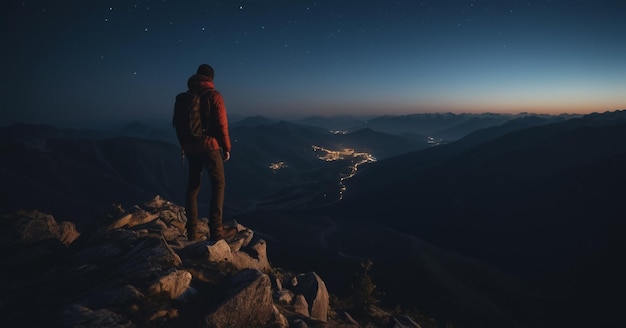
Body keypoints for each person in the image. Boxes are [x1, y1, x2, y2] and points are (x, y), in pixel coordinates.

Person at [181, 64, 236, 241]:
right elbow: (222, 125)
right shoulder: (214, 96)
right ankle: (216, 231)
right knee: (218, 185)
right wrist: (227, 148)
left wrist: (185, 145)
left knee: (193, 186)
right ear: (211, 78)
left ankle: (191, 232)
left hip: (190, 147)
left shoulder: (187, 97)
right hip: (210, 147)